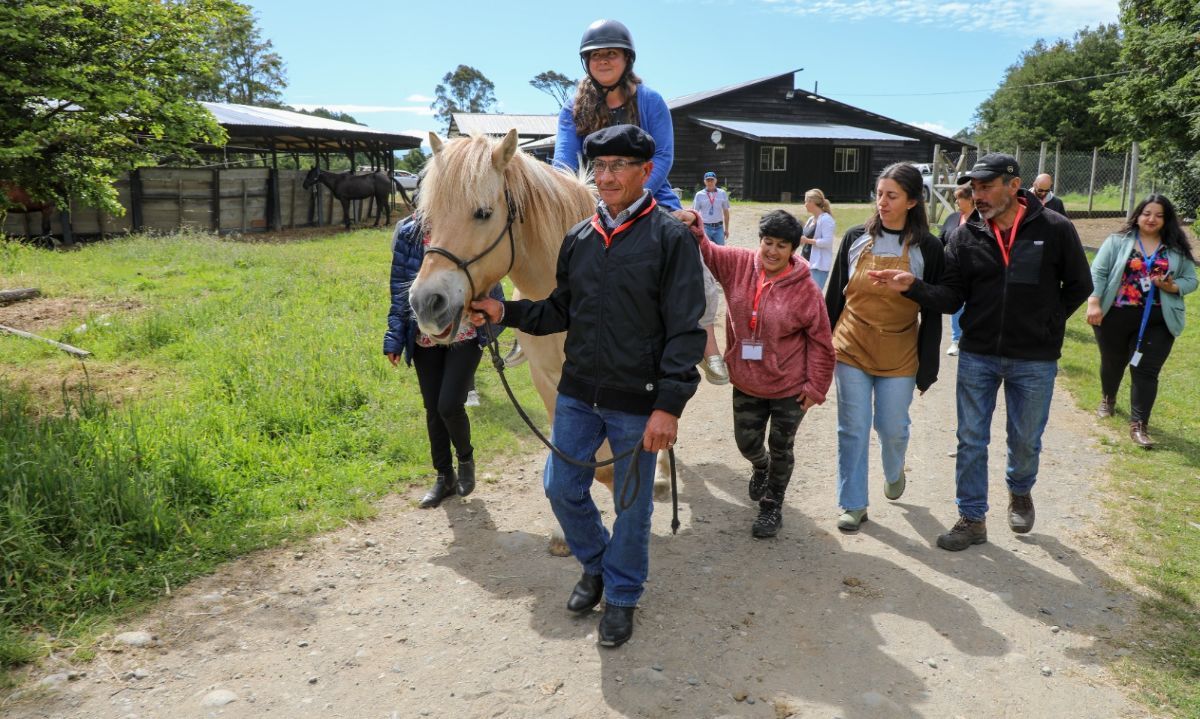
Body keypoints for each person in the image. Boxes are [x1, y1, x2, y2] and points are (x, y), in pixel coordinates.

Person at [470, 125, 706, 648]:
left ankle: (621, 596)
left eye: (620, 166)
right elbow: (559, 310)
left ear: (646, 172)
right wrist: (503, 310)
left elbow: (686, 331)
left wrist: (668, 406)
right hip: (578, 393)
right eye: (600, 167)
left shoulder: (670, 239)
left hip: (636, 401)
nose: (607, 177)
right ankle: (599, 564)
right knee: (560, 485)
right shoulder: (579, 238)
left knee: (632, 503)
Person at [869, 153, 1093, 551]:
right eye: (974, 187)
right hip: (978, 354)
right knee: (971, 438)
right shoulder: (964, 234)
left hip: (1035, 357)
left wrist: (1050, 322)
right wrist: (914, 286)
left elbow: (1079, 284)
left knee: (1025, 440)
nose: (979, 195)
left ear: (1013, 185)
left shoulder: (1055, 228)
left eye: (987, 186)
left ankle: (1020, 490)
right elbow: (953, 297)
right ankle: (972, 518)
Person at [553, 18, 728, 386]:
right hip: (591, 194)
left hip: (650, 190)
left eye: (610, 54)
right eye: (595, 55)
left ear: (626, 59)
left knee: (690, 249)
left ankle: (705, 338)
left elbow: (662, 155)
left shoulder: (649, 100)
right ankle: (534, 334)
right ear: (586, 62)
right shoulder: (572, 108)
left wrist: (633, 188)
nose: (603, 61)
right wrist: (580, 192)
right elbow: (564, 162)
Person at [685, 208, 835, 538]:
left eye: (782, 245)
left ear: (793, 250)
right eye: (768, 242)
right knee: (747, 443)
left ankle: (771, 506)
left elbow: (822, 342)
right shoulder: (738, 264)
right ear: (760, 241)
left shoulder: (806, 289)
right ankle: (760, 465)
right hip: (748, 381)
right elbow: (707, 251)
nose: (772, 251)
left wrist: (815, 387)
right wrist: (696, 224)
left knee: (782, 447)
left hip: (789, 387)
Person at [824, 163, 944, 533]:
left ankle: (895, 469)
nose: (882, 203)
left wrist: (929, 366)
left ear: (912, 201)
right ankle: (853, 503)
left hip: (900, 350)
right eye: (879, 194)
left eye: (891, 196)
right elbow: (833, 299)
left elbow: (938, 306)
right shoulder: (855, 236)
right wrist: (819, 349)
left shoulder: (929, 247)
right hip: (851, 344)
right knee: (852, 427)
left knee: (892, 427)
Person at [383, 215, 504, 509]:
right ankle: (443, 477)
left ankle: (465, 459)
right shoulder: (409, 233)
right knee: (432, 409)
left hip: (464, 331)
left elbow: (490, 275)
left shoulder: (466, 225)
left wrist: (489, 318)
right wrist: (394, 337)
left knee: (448, 404)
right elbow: (399, 285)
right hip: (424, 334)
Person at [1086, 194, 1197, 447]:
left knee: (1146, 371)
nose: (1152, 219)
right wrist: (1094, 301)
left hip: (1159, 320)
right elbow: (1099, 272)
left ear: (1167, 220)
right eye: (1147, 213)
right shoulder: (1117, 241)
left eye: (1159, 215)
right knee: (1113, 362)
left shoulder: (1176, 249)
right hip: (1115, 315)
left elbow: (1192, 280)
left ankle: (1138, 425)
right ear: (1137, 215)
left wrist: (1172, 287)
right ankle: (1108, 398)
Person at [940, 185, 973, 356]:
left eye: (958, 198)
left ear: (970, 199)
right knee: (957, 305)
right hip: (955, 271)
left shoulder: (981, 218)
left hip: (975, 271)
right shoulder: (953, 218)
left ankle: (972, 339)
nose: (956, 202)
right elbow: (941, 240)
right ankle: (956, 340)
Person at [800, 188, 835, 289]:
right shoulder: (811, 219)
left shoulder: (826, 220)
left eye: (806, 201)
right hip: (805, 263)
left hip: (818, 266)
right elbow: (804, 237)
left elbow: (827, 242)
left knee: (814, 296)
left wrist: (807, 241)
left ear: (812, 202)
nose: (805, 204)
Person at [692, 171, 730, 244]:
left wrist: (727, 229)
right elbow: (695, 212)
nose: (710, 182)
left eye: (712, 180)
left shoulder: (722, 193)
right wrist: (695, 228)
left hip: (719, 228)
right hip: (705, 227)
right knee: (706, 252)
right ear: (704, 182)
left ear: (716, 180)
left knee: (720, 252)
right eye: (708, 180)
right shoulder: (699, 195)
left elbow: (726, 212)